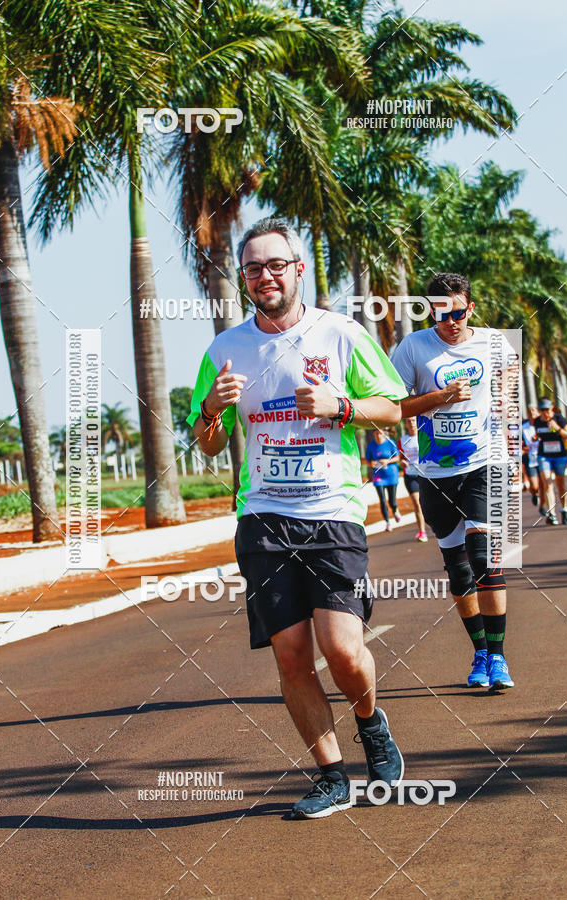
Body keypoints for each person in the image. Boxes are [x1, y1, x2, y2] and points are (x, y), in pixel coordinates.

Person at [189, 217, 408, 820]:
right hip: (262, 515)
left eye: (275, 265)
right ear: (243, 277)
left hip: (332, 512)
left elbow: (390, 408)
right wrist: (211, 410)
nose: (265, 276)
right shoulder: (224, 349)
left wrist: (341, 405)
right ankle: (331, 775)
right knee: (290, 656)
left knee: (341, 649)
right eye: (253, 268)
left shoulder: (339, 334)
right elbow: (207, 442)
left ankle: (370, 720)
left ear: (298, 270)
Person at [392, 272, 517, 691]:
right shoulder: (413, 347)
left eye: (459, 313)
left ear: (471, 309)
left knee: (484, 558)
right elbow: (394, 404)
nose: (451, 322)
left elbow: (511, 373)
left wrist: (506, 430)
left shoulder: (492, 342)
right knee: (459, 572)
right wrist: (440, 397)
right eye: (442, 314)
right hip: (435, 473)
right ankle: (480, 651)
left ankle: (498, 658)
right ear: (431, 312)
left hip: (483, 464)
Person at [533, 398, 567, 524]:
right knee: (547, 483)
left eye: (547, 410)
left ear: (552, 408)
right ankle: (552, 514)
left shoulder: (559, 418)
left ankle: (564, 510)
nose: (545, 412)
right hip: (544, 456)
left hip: (559, 455)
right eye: (542, 410)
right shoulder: (537, 421)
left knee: (560, 485)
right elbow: (538, 434)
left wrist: (557, 428)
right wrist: (535, 437)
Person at [397, 417, 428, 541]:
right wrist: (402, 462)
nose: (411, 424)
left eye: (413, 421)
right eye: (409, 421)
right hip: (410, 476)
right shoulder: (402, 440)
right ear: (405, 424)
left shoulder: (424, 436)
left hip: (425, 475)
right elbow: (400, 457)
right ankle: (422, 531)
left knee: (429, 502)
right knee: (417, 503)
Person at [365, 428, 401, 531]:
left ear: (384, 433)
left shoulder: (390, 443)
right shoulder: (371, 446)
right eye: (376, 434)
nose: (378, 436)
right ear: (373, 434)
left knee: (392, 501)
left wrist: (387, 461)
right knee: (382, 500)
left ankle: (395, 510)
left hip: (391, 475)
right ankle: (387, 522)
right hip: (378, 476)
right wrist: (371, 464)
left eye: (380, 433)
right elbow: (367, 460)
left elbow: (398, 458)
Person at [521, 408, 540, 506]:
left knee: (544, 484)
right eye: (530, 412)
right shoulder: (523, 427)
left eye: (534, 412)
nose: (533, 414)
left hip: (542, 457)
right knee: (534, 486)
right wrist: (523, 448)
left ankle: (544, 507)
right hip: (529, 458)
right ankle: (534, 494)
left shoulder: (542, 424)